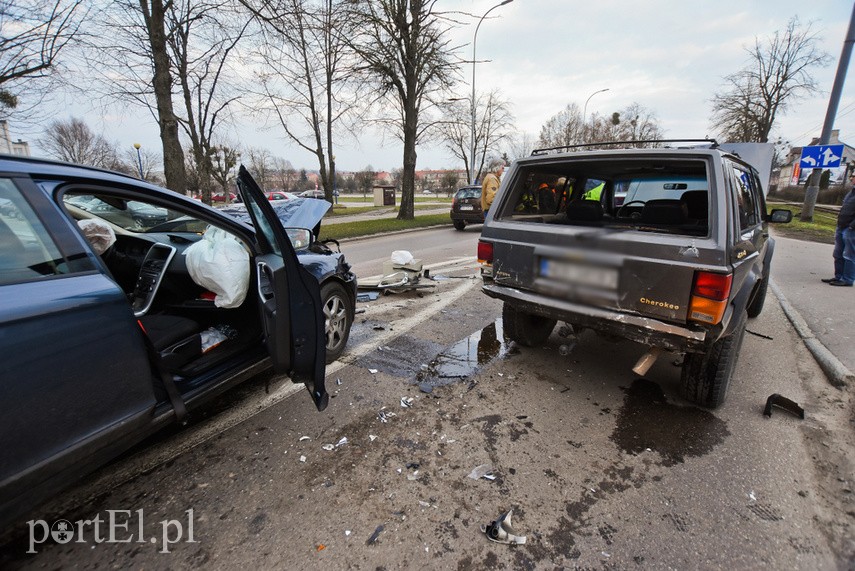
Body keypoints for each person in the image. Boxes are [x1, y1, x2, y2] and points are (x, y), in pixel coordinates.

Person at [822, 173, 855, 287]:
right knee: (838, 253)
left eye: (854, 176)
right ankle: (838, 276)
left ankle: (847, 279)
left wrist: (852, 226)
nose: (852, 178)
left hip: (851, 229)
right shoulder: (851, 192)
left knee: (849, 255)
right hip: (842, 226)